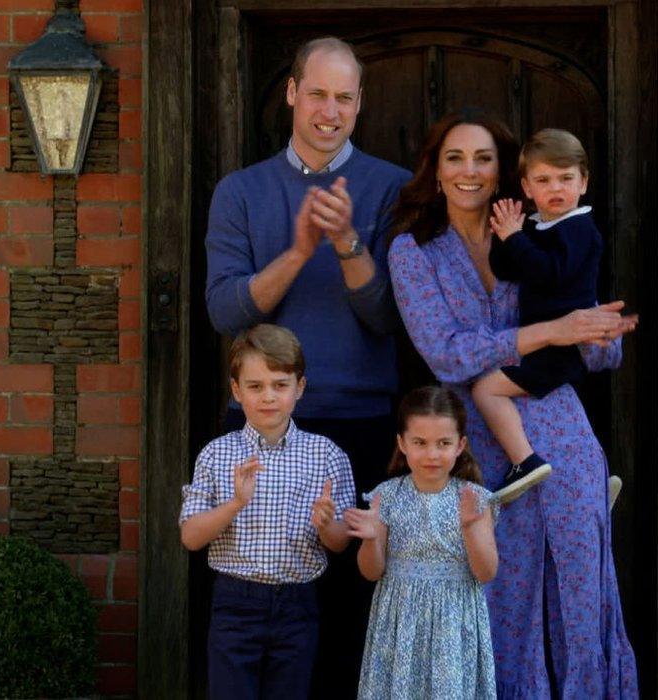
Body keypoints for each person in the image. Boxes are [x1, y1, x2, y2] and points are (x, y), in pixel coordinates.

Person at [387, 109, 640, 698]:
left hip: (560, 426)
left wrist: (599, 335)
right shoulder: (413, 251)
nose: (469, 171)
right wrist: (548, 333)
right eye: (455, 158)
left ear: (506, 174)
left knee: (580, 588)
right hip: (474, 443)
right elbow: (447, 355)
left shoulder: (541, 230)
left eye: (483, 159)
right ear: (437, 169)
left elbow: (589, 338)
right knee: (498, 594)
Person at [203, 36, 410, 696]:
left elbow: (389, 319)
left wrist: (348, 243)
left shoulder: (391, 189)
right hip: (262, 428)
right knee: (261, 609)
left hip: (361, 425)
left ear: (360, 105)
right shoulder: (240, 191)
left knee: (351, 609)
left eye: (343, 97)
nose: (329, 110)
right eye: (317, 93)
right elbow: (224, 312)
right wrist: (296, 252)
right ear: (291, 93)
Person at [179, 324, 355, 699]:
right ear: (236, 390)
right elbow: (191, 537)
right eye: (256, 386)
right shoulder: (216, 454)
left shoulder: (326, 455)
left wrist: (326, 525)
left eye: (280, 384)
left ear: (300, 388)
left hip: (297, 604)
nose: (268, 396)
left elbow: (340, 544)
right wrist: (236, 503)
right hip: (235, 603)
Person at [474, 128, 638, 504]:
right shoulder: (538, 225)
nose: (556, 188)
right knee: (568, 419)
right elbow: (506, 269)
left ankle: (524, 462)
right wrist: (504, 235)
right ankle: (594, 486)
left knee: (486, 389)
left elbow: (550, 274)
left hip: (560, 346)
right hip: (546, 341)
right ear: (527, 188)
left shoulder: (580, 229)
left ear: (583, 182)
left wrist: (516, 238)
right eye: (544, 180)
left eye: (566, 178)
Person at [344, 386, 499, 699]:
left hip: (454, 621)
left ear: (460, 445)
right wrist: (371, 540)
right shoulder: (385, 496)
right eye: (420, 443)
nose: (432, 454)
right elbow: (372, 572)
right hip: (400, 620)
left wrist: (470, 527)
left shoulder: (474, 499)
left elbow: (486, 573)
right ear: (402, 443)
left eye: (444, 443)